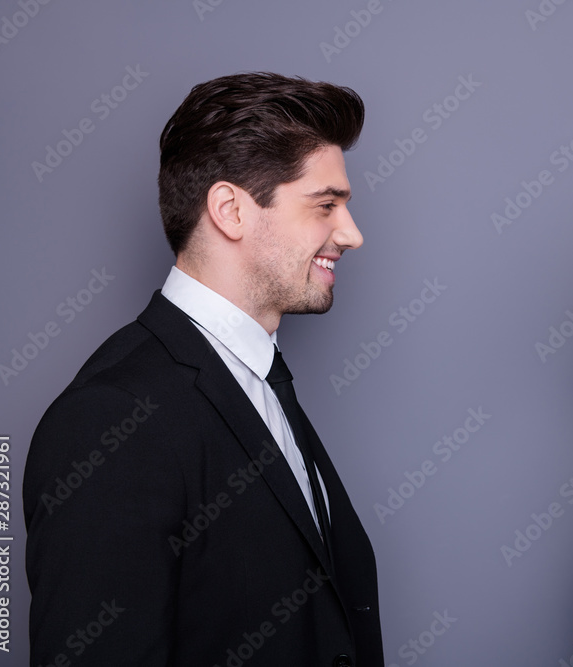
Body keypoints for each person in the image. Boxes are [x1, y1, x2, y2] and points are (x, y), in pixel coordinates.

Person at [24, 73, 383, 666]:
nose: (351, 233)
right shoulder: (110, 419)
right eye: (326, 205)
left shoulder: (260, 378)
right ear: (230, 210)